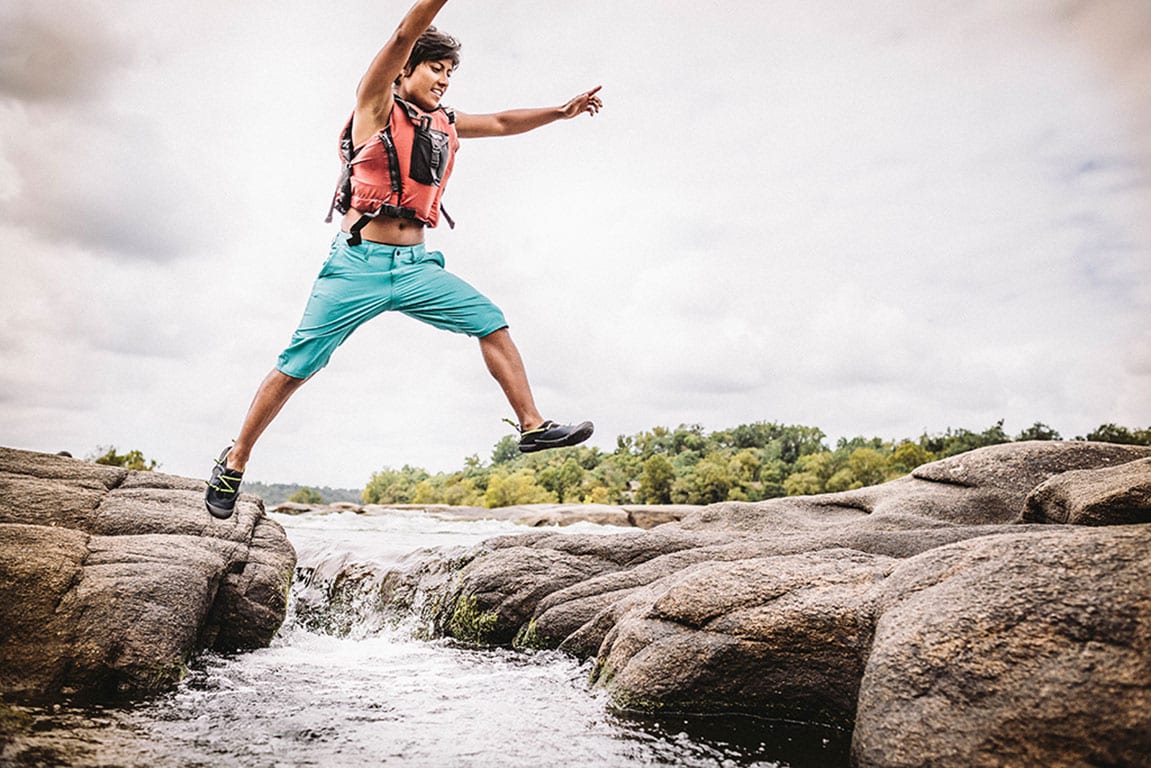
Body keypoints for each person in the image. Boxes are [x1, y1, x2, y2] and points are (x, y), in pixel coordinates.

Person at [205, 0, 602, 519]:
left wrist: (560, 112)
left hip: (416, 268)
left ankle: (533, 426)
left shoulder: (445, 121)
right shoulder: (374, 105)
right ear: (406, 70)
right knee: (296, 366)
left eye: (450, 72)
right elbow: (399, 37)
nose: (444, 80)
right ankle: (235, 460)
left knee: (491, 321)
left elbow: (503, 121)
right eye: (436, 68)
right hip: (356, 267)